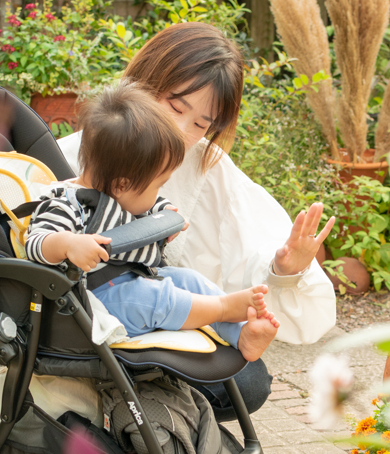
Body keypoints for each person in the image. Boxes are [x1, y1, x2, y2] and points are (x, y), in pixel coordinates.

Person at [58, 21, 337, 421]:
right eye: (174, 107)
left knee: (248, 380)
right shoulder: (77, 153)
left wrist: (285, 269)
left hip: (158, 315)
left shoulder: (209, 165)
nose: (181, 131)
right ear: (144, 82)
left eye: (201, 124)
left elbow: (250, 245)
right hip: (97, 312)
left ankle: (157, 421)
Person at [26, 82, 280, 361]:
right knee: (156, 298)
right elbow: (36, 242)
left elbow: (143, 205)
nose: (159, 195)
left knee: (188, 279)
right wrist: (68, 243)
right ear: (122, 184)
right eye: (158, 187)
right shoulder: (66, 204)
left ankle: (241, 334)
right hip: (96, 304)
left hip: (135, 280)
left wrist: (164, 213)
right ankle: (222, 308)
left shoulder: (119, 193)